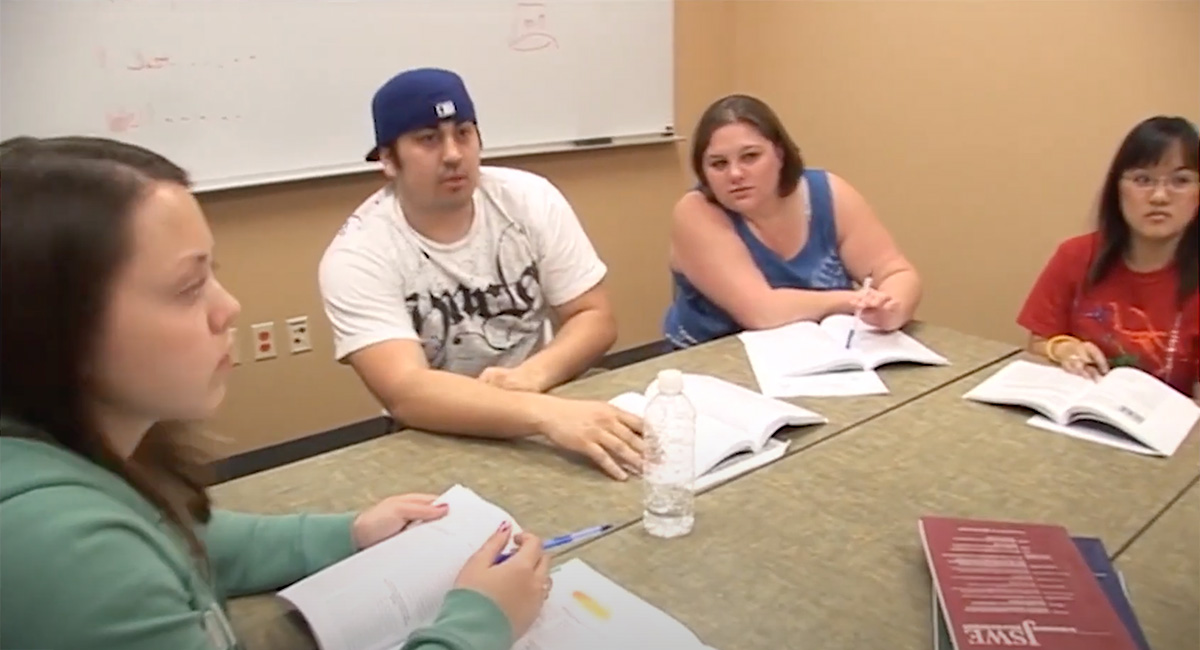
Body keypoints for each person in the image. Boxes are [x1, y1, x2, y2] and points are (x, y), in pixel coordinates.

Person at [0, 136, 551, 650]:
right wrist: (478, 624)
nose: (228, 307)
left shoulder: (75, 460)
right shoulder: (65, 555)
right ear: (54, 328)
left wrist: (348, 534)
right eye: (189, 287)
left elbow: (181, 534)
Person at [318, 67, 643, 480]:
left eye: (464, 133)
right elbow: (406, 391)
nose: (453, 154)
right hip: (437, 427)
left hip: (549, 397)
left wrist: (531, 377)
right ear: (387, 159)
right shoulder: (357, 254)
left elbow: (594, 315)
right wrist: (540, 413)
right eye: (428, 139)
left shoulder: (530, 199)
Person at [662, 94, 922, 348]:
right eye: (718, 164)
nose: (736, 174)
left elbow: (895, 271)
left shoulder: (829, 193)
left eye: (750, 157)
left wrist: (891, 308)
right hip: (715, 360)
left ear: (780, 154)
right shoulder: (695, 212)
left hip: (818, 353)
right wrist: (854, 301)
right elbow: (762, 312)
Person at [1017, 116, 1199, 399]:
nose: (1160, 196)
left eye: (1181, 181)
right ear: (1118, 189)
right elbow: (1039, 341)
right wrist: (1063, 349)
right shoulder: (1076, 255)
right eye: (1142, 180)